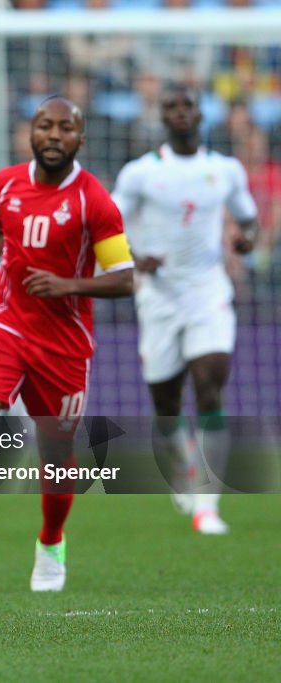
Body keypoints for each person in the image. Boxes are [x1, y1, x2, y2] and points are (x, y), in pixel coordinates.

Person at [0, 97, 134, 591]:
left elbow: (125, 277)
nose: (54, 135)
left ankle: (50, 544)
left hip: (64, 341)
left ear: (80, 139)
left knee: (55, 451)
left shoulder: (95, 200)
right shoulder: (5, 182)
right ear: (30, 133)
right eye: (45, 126)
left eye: (65, 128)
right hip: (6, 320)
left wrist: (68, 286)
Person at [112, 86, 259, 535]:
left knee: (210, 386)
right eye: (171, 106)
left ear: (201, 112)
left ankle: (207, 502)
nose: (180, 112)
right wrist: (135, 256)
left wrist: (246, 240)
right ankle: (183, 470)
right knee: (166, 406)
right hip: (157, 296)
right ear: (161, 116)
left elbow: (248, 220)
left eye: (188, 105)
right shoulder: (140, 174)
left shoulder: (225, 170)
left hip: (208, 291)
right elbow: (109, 226)